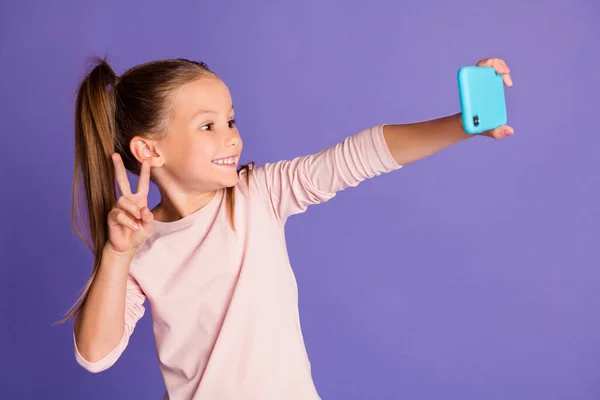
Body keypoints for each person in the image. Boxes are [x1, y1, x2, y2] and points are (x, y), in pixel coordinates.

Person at [66, 56, 513, 399]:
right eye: (208, 125)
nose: (232, 138)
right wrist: (117, 253)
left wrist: (463, 125)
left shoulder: (259, 195)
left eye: (231, 121)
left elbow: (358, 156)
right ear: (149, 151)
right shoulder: (141, 250)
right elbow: (94, 355)